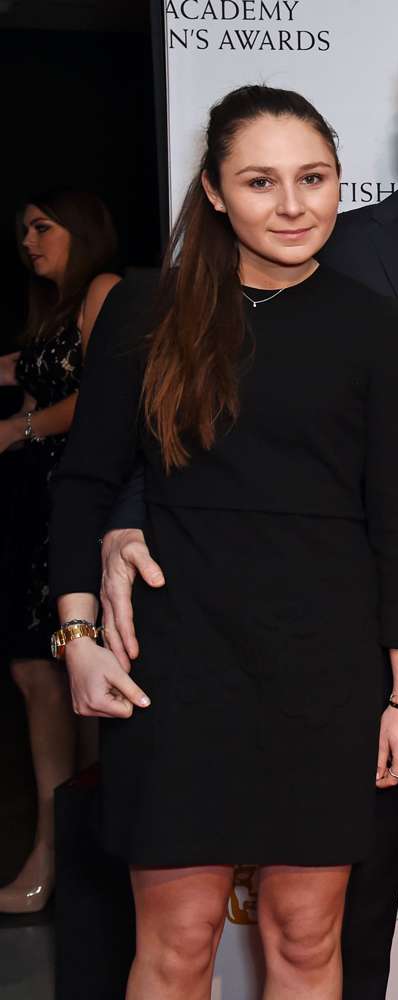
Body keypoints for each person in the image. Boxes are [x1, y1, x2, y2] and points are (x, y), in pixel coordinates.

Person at [96, 32, 398, 998]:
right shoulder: (321, 254)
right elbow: (195, 415)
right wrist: (126, 521)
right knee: (336, 926)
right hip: (350, 644)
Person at [48, 85, 398, 998]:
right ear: (215, 192)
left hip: (326, 676)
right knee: (176, 944)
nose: (292, 205)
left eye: (314, 178)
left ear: (342, 182)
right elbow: (87, 481)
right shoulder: (147, 311)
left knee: (306, 940)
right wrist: (76, 638)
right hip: (175, 669)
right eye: (261, 182)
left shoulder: (377, 328)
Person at [0, 190, 119, 913]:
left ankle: (83, 868)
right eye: (22, 230)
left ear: (83, 226)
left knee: (81, 684)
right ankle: (52, 856)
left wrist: (22, 429)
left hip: (78, 499)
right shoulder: (48, 312)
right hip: (31, 502)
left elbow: (105, 393)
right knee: (34, 675)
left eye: (42, 226)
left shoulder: (104, 292)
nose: (29, 241)